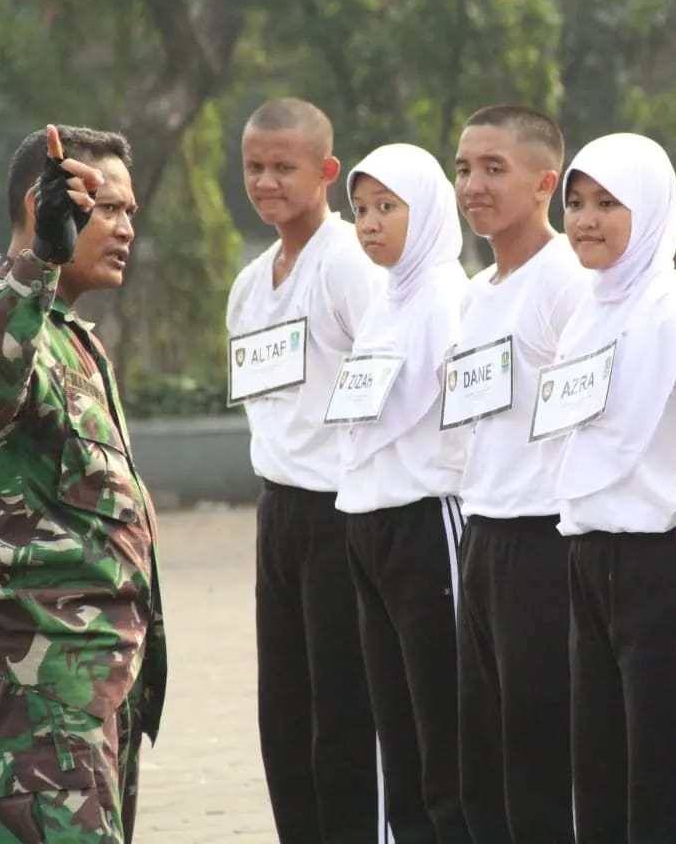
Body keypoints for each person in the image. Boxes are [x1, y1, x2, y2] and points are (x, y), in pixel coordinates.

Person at [0, 124, 165, 843]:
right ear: (45, 202)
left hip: (86, 685)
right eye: (107, 207)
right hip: (32, 688)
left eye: (130, 213)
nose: (124, 228)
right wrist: (39, 263)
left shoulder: (69, 335)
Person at [554, 132, 676, 843]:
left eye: (607, 204)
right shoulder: (586, 310)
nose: (586, 219)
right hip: (589, 554)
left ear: (651, 211)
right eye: (576, 202)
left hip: (664, 559)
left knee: (668, 775)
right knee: (599, 772)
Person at [225, 98, 384, 844]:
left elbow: (388, 379)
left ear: (326, 170)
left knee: (343, 716)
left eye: (284, 167)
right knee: (283, 714)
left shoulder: (350, 263)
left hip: (340, 510)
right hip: (279, 512)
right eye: (254, 167)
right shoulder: (252, 283)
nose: (266, 181)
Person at [451, 105, 587, 844]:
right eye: (466, 168)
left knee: (542, 763)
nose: (474, 185)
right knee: (486, 766)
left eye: (493, 169)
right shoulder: (476, 295)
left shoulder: (567, 281)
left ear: (545, 183)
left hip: (548, 540)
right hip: (483, 533)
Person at [337, 143, 470, 844]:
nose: (370, 224)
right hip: (367, 520)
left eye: (388, 207)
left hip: (426, 520)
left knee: (441, 717)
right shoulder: (384, 302)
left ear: (426, 211)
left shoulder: (449, 297)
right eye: (360, 210)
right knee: (393, 714)